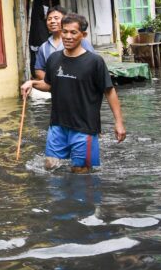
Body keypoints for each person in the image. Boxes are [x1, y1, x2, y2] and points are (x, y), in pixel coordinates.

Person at [20, 13, 126, 172]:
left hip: (84, 127)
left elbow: (109, 91)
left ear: (83, 35)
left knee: (80, 171)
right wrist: (32, 83)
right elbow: (49, 85)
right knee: (50, 167)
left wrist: (118, 123)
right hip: (57, 125)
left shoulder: (94, 62)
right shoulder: (54, 59)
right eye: (64, 31)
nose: (67, 36)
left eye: (73, 32)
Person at [33, 5, 95, 81]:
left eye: (56, 18)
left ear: (65, 20)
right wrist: (55, 83)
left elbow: (93, 65)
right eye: (49, 19)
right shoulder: (44, 47)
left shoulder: (79, 41)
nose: (52, 21)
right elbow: (38, 70)